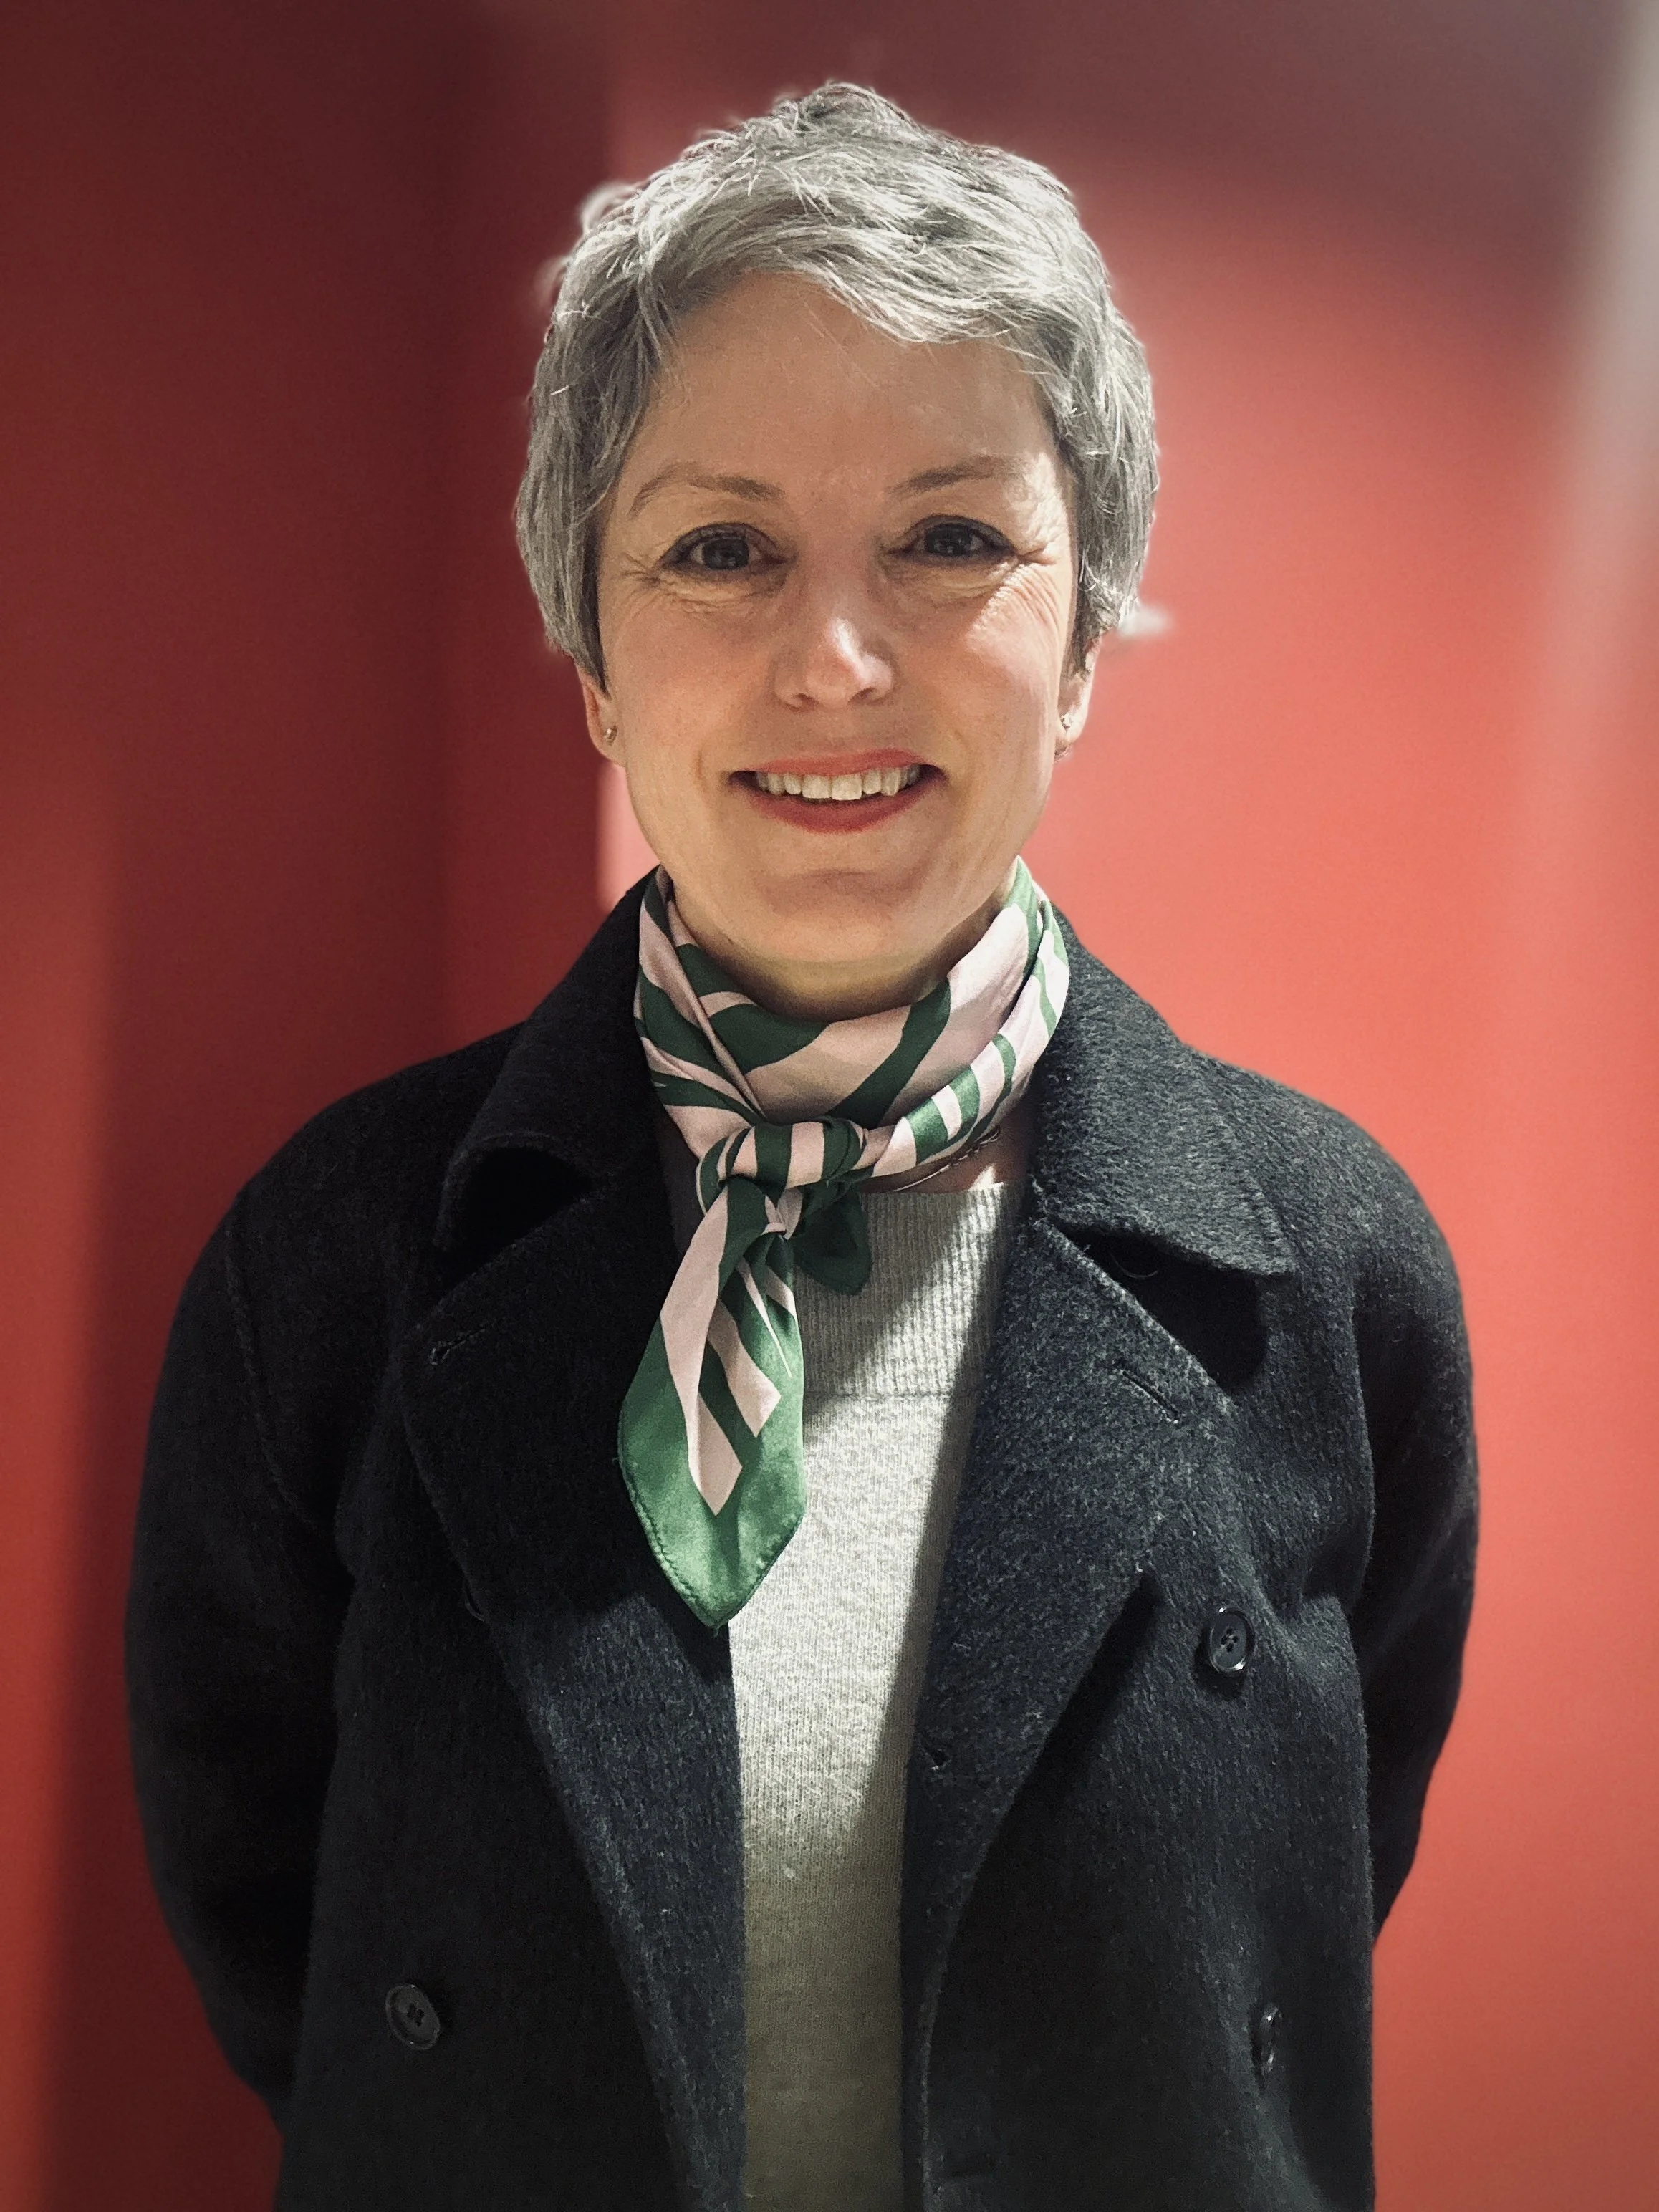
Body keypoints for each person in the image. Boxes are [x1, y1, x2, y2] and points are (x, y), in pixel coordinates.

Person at [127, 84, 1477, 2212]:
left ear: (1085, 633)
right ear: (593, 653)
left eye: (950, 539)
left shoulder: (1334, 1261)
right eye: (720, 548)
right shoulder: (335, 1252)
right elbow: (277, 1912)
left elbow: (1294, 1912)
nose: (834, 662)